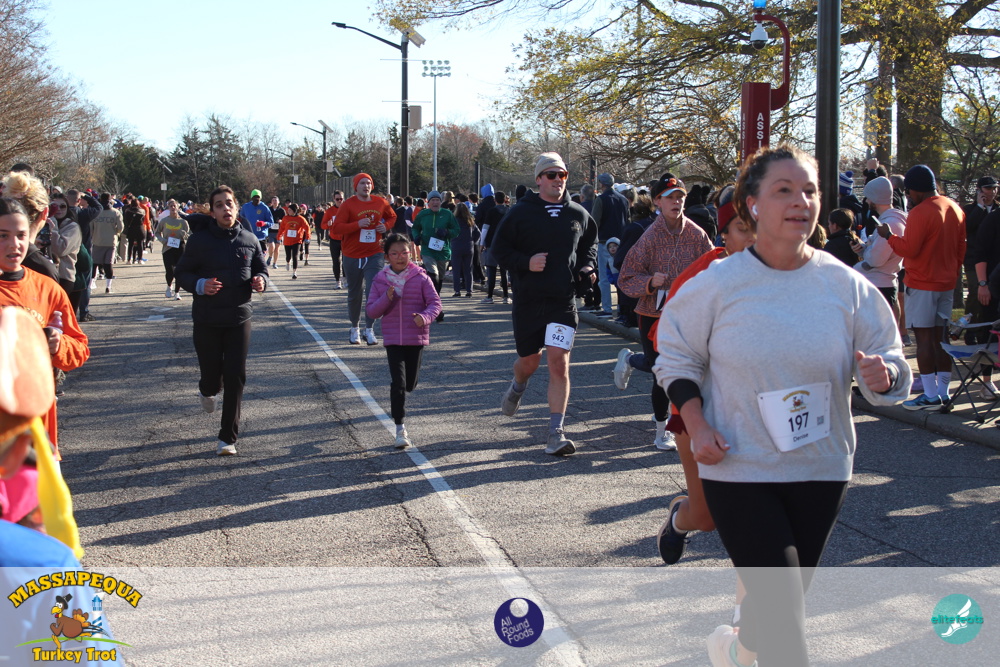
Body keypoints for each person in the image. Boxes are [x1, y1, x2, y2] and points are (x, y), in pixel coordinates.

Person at [655, 145, 910, 667]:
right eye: (784, 190)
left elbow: (892, 358)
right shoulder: (716, 285)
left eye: (809, 191)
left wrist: (884, 375)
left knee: (779, 608)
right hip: (739, 465)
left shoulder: (845, 285)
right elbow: (675, 359)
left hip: (820, 466)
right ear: (752, 204)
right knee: (786, 621)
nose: (801, 202)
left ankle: (735, 650)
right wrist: (697, 425)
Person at [653, 200, 756, 566]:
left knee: (761, 520)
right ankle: (679, 519)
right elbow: (665, 341)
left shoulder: (781, 274)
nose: (754, 238)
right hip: (698, 407)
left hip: (757, 410)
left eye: (758, 228)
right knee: (706, 517)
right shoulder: (704, 277)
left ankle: (762, 598)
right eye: (743, 229)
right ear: (724, 236)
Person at [492, 152, 598, 456]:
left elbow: (590, 244)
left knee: (559, 364)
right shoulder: (520, 213)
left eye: (562, 175)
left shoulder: (578, 213)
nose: (557, 180)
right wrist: (526, 262)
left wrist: (587, 267)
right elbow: (498, 250)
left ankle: (556, 433)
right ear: (539, 179)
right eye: (551, 175)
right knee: (529, 362)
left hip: (562, 301)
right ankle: (518, 384)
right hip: (529, 301)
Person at [615, 175, 713, 451]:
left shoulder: (697, 234)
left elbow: (714, 268)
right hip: (653, 314)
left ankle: (632, 361)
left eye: (680, 196)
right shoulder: (649, 237)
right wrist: (649, 282)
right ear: (658, 201)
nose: (676, 202)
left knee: (686, 372)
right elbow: (626, 277)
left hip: (687, 315)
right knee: (662, 373)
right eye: (670, 197)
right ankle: (662, 431)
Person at [175, 186, 269, 456]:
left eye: (229, 203)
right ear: (213, 211)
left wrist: (261, 280)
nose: (225, 208)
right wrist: (200, 284)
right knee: (211, 378)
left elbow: (261, 268)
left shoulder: (249, 239)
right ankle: (207, 390)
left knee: (235, 376)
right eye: (219, 205)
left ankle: (227, 437)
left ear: (236, 207)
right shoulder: (199, 241)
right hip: (207, 319)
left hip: (239, 317)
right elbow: (182, 272)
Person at [0, 197, 90, 456]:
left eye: (20, 235)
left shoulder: (47, 288)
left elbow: (80, 349)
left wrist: (57, 344)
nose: (14, 244)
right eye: (3, 236)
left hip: (35, 429)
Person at [878, 165, 965, 410]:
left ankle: (930, 394)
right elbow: (961, 248)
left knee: (924, 339)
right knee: (942, 338)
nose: (908, 197)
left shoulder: (920, 212)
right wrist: (952, 272)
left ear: (916, 190)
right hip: (946, 282)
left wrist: (888, 236)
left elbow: (910, 249)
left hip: (922, 282)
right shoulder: (955, 208)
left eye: (908, 192)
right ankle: (943, 393)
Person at [366, 233, 442, 448]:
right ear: (386, 256)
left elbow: (435, 304)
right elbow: (371, 311)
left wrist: (424, 318)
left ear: (411, 253)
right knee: (398, 383)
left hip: (415, 337)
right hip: (392, 339)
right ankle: (400, 429)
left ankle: (405, 399)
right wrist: (386, 297)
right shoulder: (380, 279)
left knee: (410, 383)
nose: (400, 257)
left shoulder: (421, 277)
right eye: (394, 253)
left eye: (404, 252)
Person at [331, 174, 396, 345]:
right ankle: (354, 327)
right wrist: (357, 225)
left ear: (372, 186)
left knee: (373, 291)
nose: (366, 186)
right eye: (362, 183)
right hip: (352, 254)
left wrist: (385, 226)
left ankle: (369, 329)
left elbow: (392, 217)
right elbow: (336, 228)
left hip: (374, 253)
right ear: (355, 186)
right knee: (355, 293)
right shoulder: (348, 205)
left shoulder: (381, 202)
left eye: (368, 183)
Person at [961, 176, 999, 340]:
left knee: (991, 296)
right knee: (975, 292)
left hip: (993, 262)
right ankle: (971, 330)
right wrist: (980, 207)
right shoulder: (970, 209)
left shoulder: (997, 209)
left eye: (994, 188)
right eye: (988, 188)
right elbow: (967, 228)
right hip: (973, 260)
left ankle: (986, 330)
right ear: (979, 190)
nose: (992, 192)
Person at [411, 191, 460, 316]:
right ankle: (435, 306)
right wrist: (416, 236)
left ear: (440, 202)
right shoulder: (423, 214)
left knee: (439, 279)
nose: (435, 202)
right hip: (427, 250)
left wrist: (447, 232)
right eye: (432, 200)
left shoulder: (447, 214)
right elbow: (415, 228)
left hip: (443, 251)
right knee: (433, 275)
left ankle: (434, 303)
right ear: (428, 202)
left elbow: (456, 230)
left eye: (437, 200)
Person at [589, 173, 630, 317]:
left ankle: (607, 308)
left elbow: (595, 221)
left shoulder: (601, 199)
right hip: (621, 242)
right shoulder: (623, 199)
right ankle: (621, 307)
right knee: (620, 275)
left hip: (604, 242)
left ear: (602, 184)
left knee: (604, 277)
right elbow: (628, 219)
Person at [154, 199, 190, 299]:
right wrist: (162, 240)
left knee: (179, 271)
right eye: (171, 206)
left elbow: (189, 235)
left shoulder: (183, 221)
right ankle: (169, 286)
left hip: (180, 247)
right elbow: (157, 232)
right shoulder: (164, 221)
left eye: (174, 206)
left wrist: (185, 235)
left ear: (178, 208)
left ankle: (177, 292)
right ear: (168, 208)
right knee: (169, 271)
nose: (173, 208)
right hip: (168, 248)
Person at [479, 191, 511, 304]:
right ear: (505, 199)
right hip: (506, 244)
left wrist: (482, 243)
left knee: (491, 270)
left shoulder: (491, 211)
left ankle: (489, 296)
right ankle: (506, 296)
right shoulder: (509, 211)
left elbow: (485, 228)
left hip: (492, 244)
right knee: (504, 271)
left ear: (495, 200)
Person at [91, 193, 125, 295]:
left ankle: (91, 284)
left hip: (97, 241)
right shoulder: (116, 212)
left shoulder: (96, 212)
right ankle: (108, 286)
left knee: (94, 264)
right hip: (111, 241)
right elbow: (120, 228)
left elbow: (91, 227)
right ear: (110, 200)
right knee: (108, 264)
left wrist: (94, 235)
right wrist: (115, 232)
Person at [451, 204, 480, 297]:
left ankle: (457, 291)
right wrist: (473, 241)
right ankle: (469, 290)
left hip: (456, 246)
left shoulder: (453, 221)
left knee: (456, 270)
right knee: (468, 269)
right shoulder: (470, 221)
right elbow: (478, 233)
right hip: (468, 247)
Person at [278, 203, 311, 279]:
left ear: (294, 211)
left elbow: (307, 228)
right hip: (287, 240)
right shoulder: (285, 218)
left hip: (297, 240)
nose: (288, 211)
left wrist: (307, 237)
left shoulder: (301, 218)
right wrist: (279, 237)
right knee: (288, 256)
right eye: (288, 210)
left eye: (290, 210)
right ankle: (288, 262)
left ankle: (294, 272)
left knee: (295, 256)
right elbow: (281, 228)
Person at [321, 191, 345, 288]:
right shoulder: (330, 211)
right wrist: (328, 224)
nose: (339, 201)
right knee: (336, 261)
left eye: (341, 199)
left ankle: (345, 278)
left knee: (346, 261)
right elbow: (323, 225)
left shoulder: (347, 208)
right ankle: (337, 281)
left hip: (345, 239)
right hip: (334, 239)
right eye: (337, 199)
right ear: (334, 199)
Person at [239, 188, 273, 255]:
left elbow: (271, 222)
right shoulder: (246, 207)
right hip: (249, 236)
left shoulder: (264, 208)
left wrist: (264, 223)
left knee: (261, 256)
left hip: (261, 237)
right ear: (252, 198)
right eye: (254, 197)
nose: (256, 199)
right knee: (249, 255)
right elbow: (240, 219)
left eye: (258, 197)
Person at [266, 195, 284, 269]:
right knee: (271, 246)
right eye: (273, 200)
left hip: (279, 232)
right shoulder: (268, 209)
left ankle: (275, 263)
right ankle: (270, 256)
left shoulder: (282, 210)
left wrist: (281, 221)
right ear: (271, 202)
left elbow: (285, 220)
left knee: (277, 248)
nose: (274, 202)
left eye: (276, 200)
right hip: (270, 231)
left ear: (278, 202)